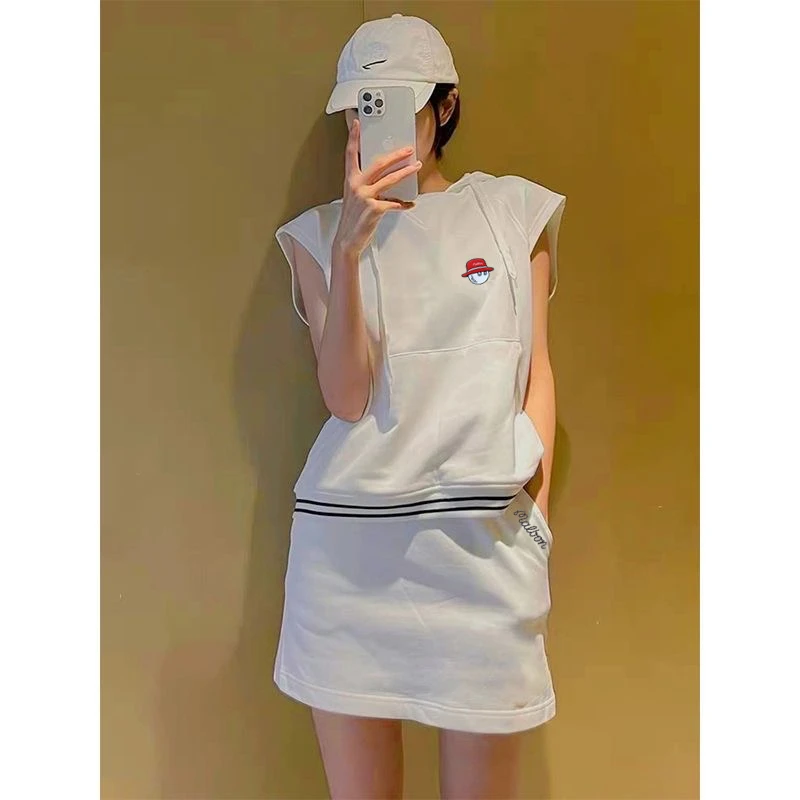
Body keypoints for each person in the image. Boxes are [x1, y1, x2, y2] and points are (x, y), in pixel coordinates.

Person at [274, 13, 566, 800]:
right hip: (348, 566)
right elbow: (347, 398)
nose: (375, 126)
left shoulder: (513, 214)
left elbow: (537, 372)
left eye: (398, 106)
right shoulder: (316, 238)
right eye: (361, 109)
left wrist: (536, 521)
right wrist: (349, 250)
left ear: (446, 106)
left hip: (483, 558)